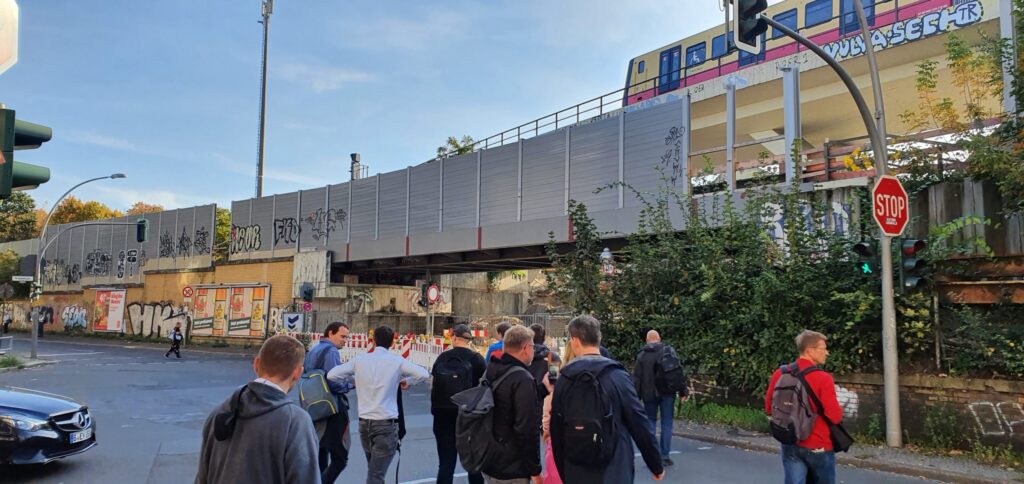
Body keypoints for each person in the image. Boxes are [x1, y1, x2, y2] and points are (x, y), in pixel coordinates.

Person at [550, 315, 665, 483]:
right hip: (614, 467)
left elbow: (556, 429)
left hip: (577, 466)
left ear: (574, 341)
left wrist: (564, 471)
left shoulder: (565, 379)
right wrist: (656, 464)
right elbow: (638, 421)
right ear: (599, 338)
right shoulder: (617, 376)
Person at [195, 335, 320, 484]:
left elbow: (202, 477)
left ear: (256, 364)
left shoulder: (221, 412)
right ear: (298, 373)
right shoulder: (295, 421)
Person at [327, 325, 429, 484]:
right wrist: (406, 381)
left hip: (364, 424)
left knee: (374, 471)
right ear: (392, 343)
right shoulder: (396, 361)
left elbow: (332, 375)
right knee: (376, 475)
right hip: (386, 424)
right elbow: (423, 374)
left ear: (373, 341)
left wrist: (354, 380)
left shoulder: (359, 360)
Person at [765, 330, 842, 484]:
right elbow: (834, 416)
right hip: (818, 444)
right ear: (810, 350)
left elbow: (769, 407)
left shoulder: (780, 374)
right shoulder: (823, 378)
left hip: (790, 441)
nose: (827, 353)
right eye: (823, 348)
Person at [481, 324, 543, 484]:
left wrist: (542, 389)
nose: (534, 351)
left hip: (490, 459)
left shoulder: (492, 369)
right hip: (512, 467)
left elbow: (505, 401)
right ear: (525, 348)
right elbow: (527, 429)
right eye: (533, 347)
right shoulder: (523, 379)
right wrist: (535, 470)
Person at [431, 324, 486, 484]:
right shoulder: (477, 359)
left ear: (453, 337)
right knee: (474, 465)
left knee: (446, 464)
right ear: (468, 340)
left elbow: (433, 385)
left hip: (442, 416)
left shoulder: (442, 358)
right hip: (469, 417)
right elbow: (485, 388)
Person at [305, 322, 354, 484]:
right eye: (342, 336)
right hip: (331, 407)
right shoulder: (331, 351)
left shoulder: (314, 349)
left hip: (314, 406)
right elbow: (334, 381)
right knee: (340, 457)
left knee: (321, 451)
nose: (345, 340)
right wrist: (350, 385)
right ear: (330, 333)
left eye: (347, 337)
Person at [633, 329, 689, 466]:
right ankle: (665, 455)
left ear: (646, 340)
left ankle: (653, 456)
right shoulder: (668, 351)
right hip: (667, 393)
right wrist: (683, 391)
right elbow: (677, 373)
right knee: (667, 423)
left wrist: (635, 398)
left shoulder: (642, 356)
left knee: (651, 422)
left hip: (648, 394)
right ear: (659, 339)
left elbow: (637, 379)